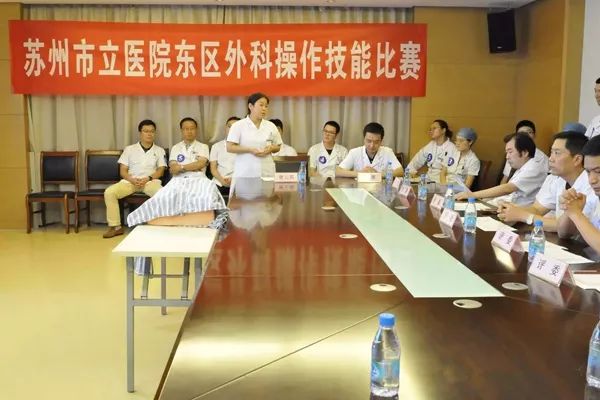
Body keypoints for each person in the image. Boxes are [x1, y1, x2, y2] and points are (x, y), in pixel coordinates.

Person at [498, 132, 595, 231]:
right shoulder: (554, 178)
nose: (550, 159)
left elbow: (568, 227)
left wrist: (523, 216)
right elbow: (537, 209)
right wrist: (511, 210)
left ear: (577, 159)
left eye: (557, 153)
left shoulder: (592, 184)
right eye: (551, 152)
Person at [102, 119, 166, 238]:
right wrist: (131, 179)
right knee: (109, 192)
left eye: (152, 131)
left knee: (163, 194)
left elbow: (160, 171)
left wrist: (148, 178)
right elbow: (123, 171)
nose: (149, 134)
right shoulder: (129, 149)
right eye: (146, 131)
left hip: (150, 182)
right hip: (130, 182)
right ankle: (116, 227)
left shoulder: (159, 150)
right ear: (140, 133)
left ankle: (159, 224)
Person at [455, 132, 547, 206]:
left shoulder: (533, 168)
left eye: (510, 152)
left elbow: (507, 188)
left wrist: (473, 195)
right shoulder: (522, 167)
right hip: (504, 206)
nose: (507, 157)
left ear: (524, 152)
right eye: (506, 153)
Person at [557, 136, 600, 247]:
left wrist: (576, 214)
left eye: (598, 171)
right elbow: (564, 234)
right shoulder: (595, 198)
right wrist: (570, 209)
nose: (592, 180)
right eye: (588, 172)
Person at [227, 93, 282, 178]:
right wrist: (250, 149)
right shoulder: (238, 125)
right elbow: (230, 147)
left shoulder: (271, 126)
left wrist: (271, 148)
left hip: (266, 171)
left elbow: (278, 146)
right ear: (250, 106)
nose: (264, 109)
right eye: (261, 105)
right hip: (245, 172)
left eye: (266, 106)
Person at [336, 122, 403, 178]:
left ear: (381, 141)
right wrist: (360, 173)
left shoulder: (387, 152)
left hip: (380, 188)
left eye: (376, 142)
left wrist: (377, 174)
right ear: (364, 139)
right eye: (369, 141)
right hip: (359, 188)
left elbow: (400, 171)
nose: (372, 145)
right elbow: (337, 171)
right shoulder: (354, 152)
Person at [499, 120, 548, 184]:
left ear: (535, 135)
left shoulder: (540, 160)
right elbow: (505, 178)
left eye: (529, 132)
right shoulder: (513, 155)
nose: (525, 136)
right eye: (521, 134)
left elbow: (510, 187)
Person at [210, 116, 240, 196]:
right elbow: (213, 168)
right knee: (211, 195)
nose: (232, 130)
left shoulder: (245, 147)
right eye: (229, 126)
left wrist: (234, 180)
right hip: (219, 181)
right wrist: (222, 181)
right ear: (225, 128)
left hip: (238, 182)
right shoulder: (216, 146)